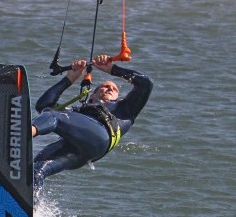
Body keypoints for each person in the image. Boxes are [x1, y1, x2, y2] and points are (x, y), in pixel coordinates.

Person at [32, 54, 153, 190]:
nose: (111, 89)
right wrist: (69, 79)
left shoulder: (125, 109)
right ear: (92, 96)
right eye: (106, 86)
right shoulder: (76, 111)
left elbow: (145, 84)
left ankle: (22, 132)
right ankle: (29, 206)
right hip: (78, 153)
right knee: (35, 169)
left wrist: (112, 69)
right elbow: (43, 105)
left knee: (54, 115)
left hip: (101, 136)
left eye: (114, 89)